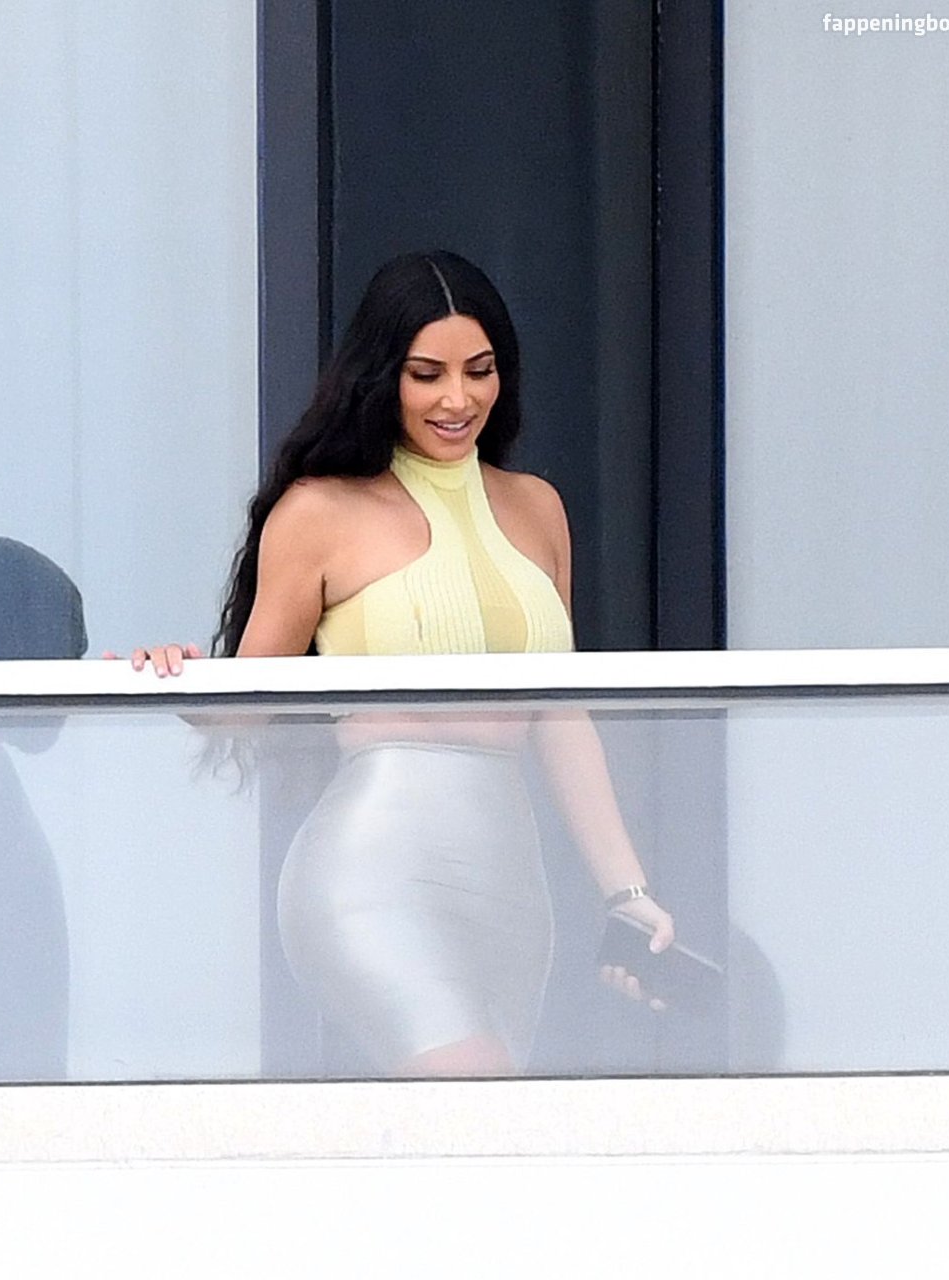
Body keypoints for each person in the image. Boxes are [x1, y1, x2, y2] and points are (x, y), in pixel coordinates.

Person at [132, 250, 675, 1077]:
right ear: (383, 377)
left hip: (509, 880)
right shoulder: (320, 511)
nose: (458, 399)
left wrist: (626, 894)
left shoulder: (538, 508)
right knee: (470, 1084)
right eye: (427, 375)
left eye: (479, 371)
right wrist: (171, 674)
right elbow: (245, 701)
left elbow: (563, 717)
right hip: (374, 867)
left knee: (483, 1125)